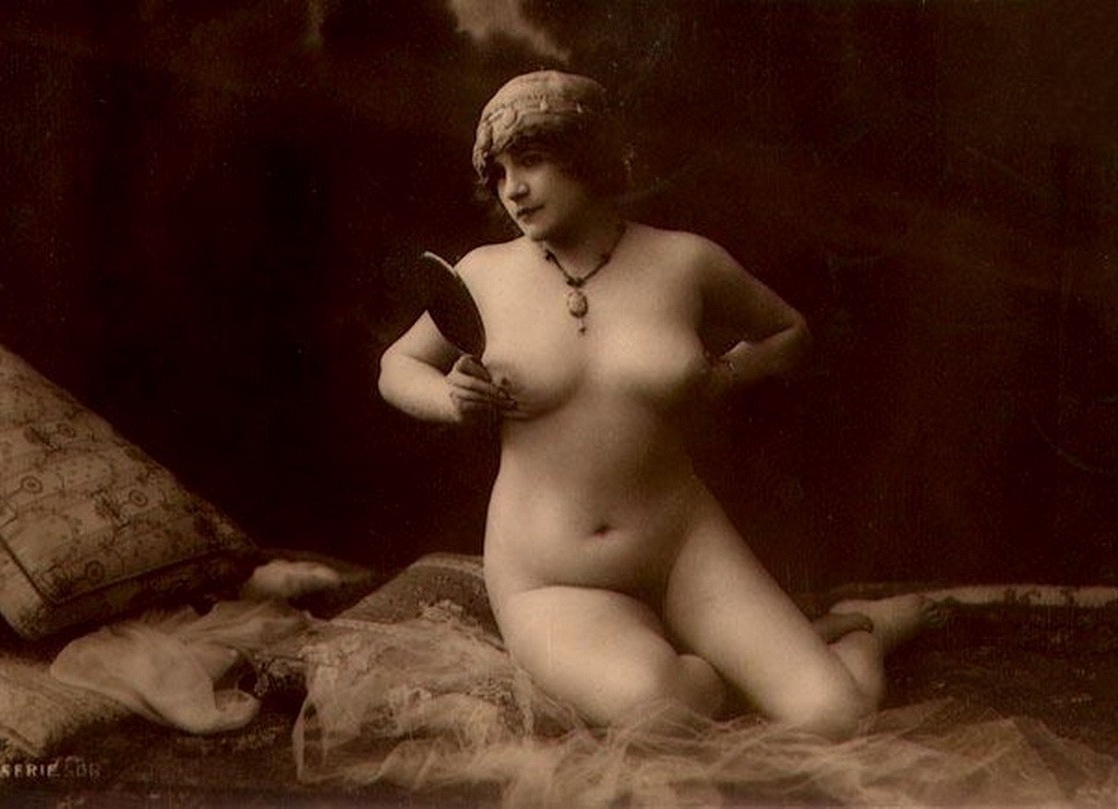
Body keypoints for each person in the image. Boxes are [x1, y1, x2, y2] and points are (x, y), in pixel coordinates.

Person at [378, 70, 939, 740]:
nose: (513, 189)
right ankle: (719, 660)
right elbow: (395, 367)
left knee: (835, 714)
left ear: (586, 154)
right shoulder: (483, 274)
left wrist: (723, 376)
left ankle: (857, 639)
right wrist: (449, 398)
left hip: (682, 548)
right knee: (660, 710)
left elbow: (789, 332)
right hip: (549, 574)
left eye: (530, 160)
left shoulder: (684, 262)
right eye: (498, 173)